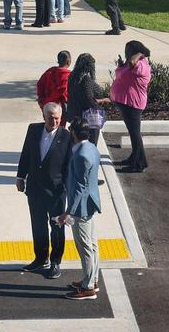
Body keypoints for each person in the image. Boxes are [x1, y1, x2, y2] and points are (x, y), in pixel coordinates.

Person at [16, 103, 73, 279]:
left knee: (56, 227)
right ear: (43, 116)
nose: (54, 121)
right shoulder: (33, 130)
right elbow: (26, 153)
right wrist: (20, 176)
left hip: (56, 191)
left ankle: (55, 261)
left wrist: (67, 189)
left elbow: (69, 165)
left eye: (57, 118)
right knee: (38, 225)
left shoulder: (67, 136)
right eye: (51, 118)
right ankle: (41, 258)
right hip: (35, 188)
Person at [60, 122, 102, 300]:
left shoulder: (80, 156)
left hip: (81, 208)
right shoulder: (91, 148)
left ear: (74, 133)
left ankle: (88, 288)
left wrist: (69, 211)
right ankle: (92, 279)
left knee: (84, 246)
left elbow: (79, 187)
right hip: (90, 203)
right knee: (92, 244)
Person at [111, 40, 151, 173]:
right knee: (133, 133)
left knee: (135, 134)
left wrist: (140, 54)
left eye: (128, 50)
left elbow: (133, 63)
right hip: (126, 103)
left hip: (133, 104)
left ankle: (140, 163)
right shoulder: (131, 63)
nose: (126, 52)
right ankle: (134, 157)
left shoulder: (141, 63)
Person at [66, 53, 109, 146]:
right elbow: (90, 99)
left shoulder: (72, 77)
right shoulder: (86, 80)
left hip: (74, 116)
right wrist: (102, 104)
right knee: (91, 145)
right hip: (86, 119)